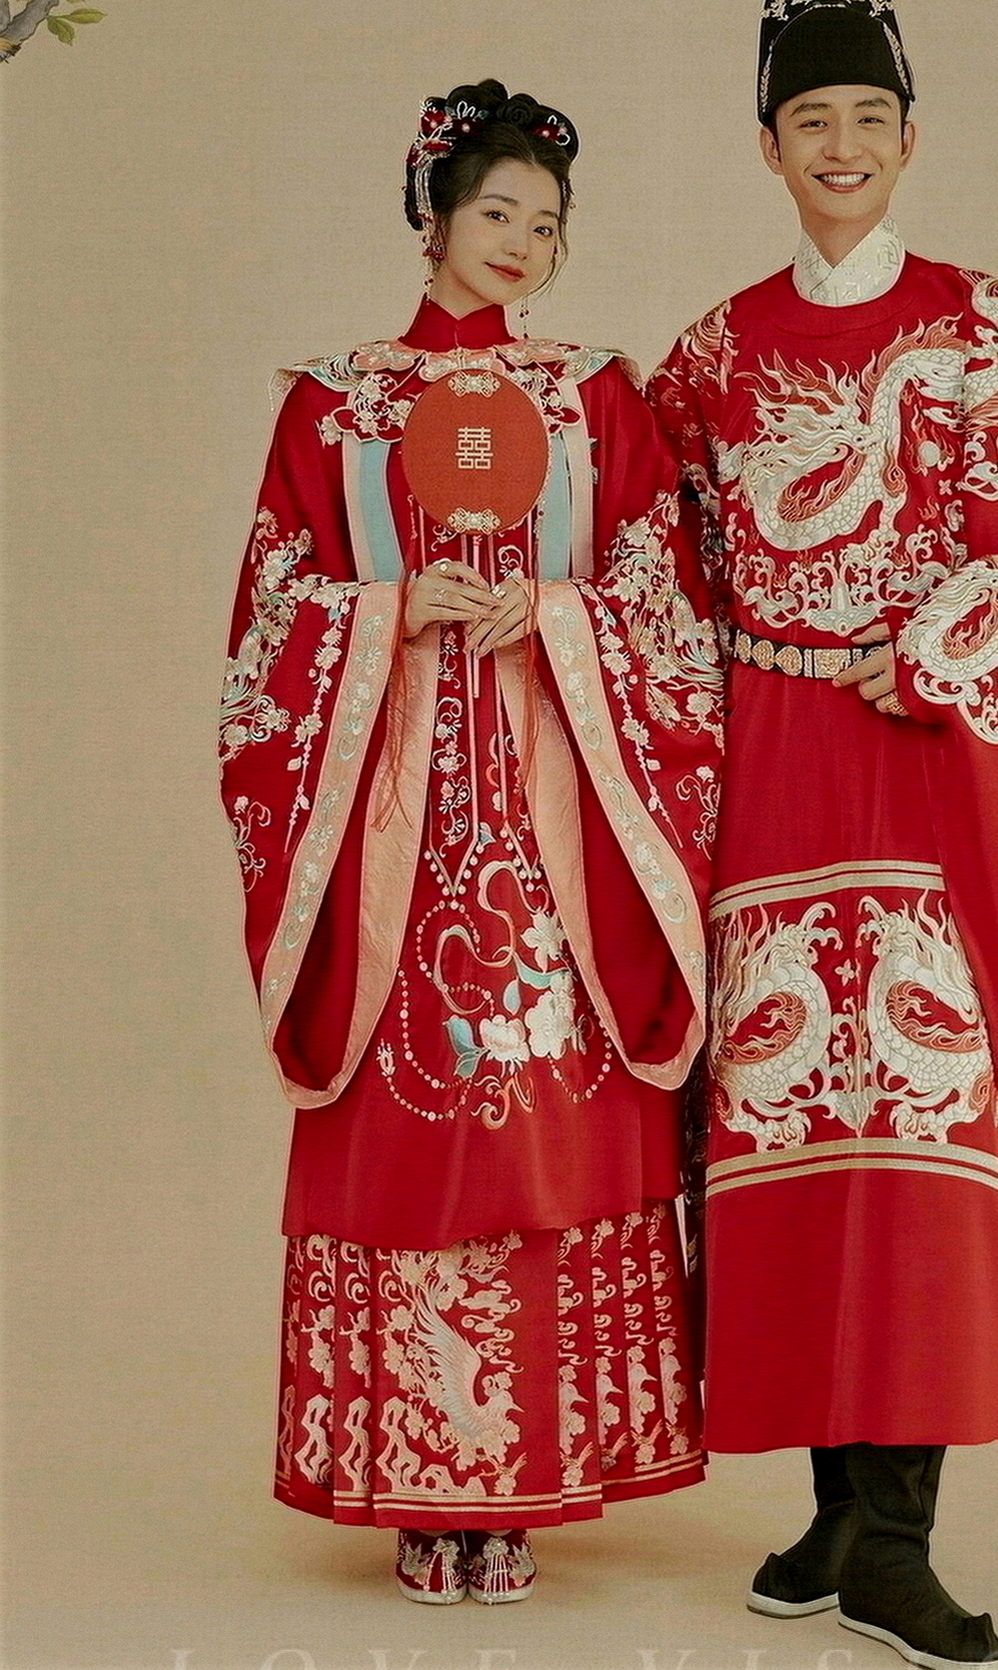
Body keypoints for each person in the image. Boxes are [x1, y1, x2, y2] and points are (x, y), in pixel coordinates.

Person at [647, 0, 998, 1668]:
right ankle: (830, 1514)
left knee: (927, 1141)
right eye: (811, 119)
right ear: (766, 146)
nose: (842, 146)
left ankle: (899, 1537)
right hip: (773, 785)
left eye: (869, 116)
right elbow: (651, 576)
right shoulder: (710, 360)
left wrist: (957, 639)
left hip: (939, 797)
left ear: (912, 134)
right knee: (796, 1140)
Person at [220, 79, 722, 1606]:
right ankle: (416, 1487)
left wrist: (553, 613)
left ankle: (523, 1486)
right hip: (396, 831)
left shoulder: (594, 399)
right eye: (497, 211)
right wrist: (385, 614)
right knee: (414, 1134)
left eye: (547, 226)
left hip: (557, 827)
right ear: (433, 213)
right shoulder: (333, 406)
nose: (521, 243)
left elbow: (666, 603)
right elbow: (265, 629)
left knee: (543, 1126)